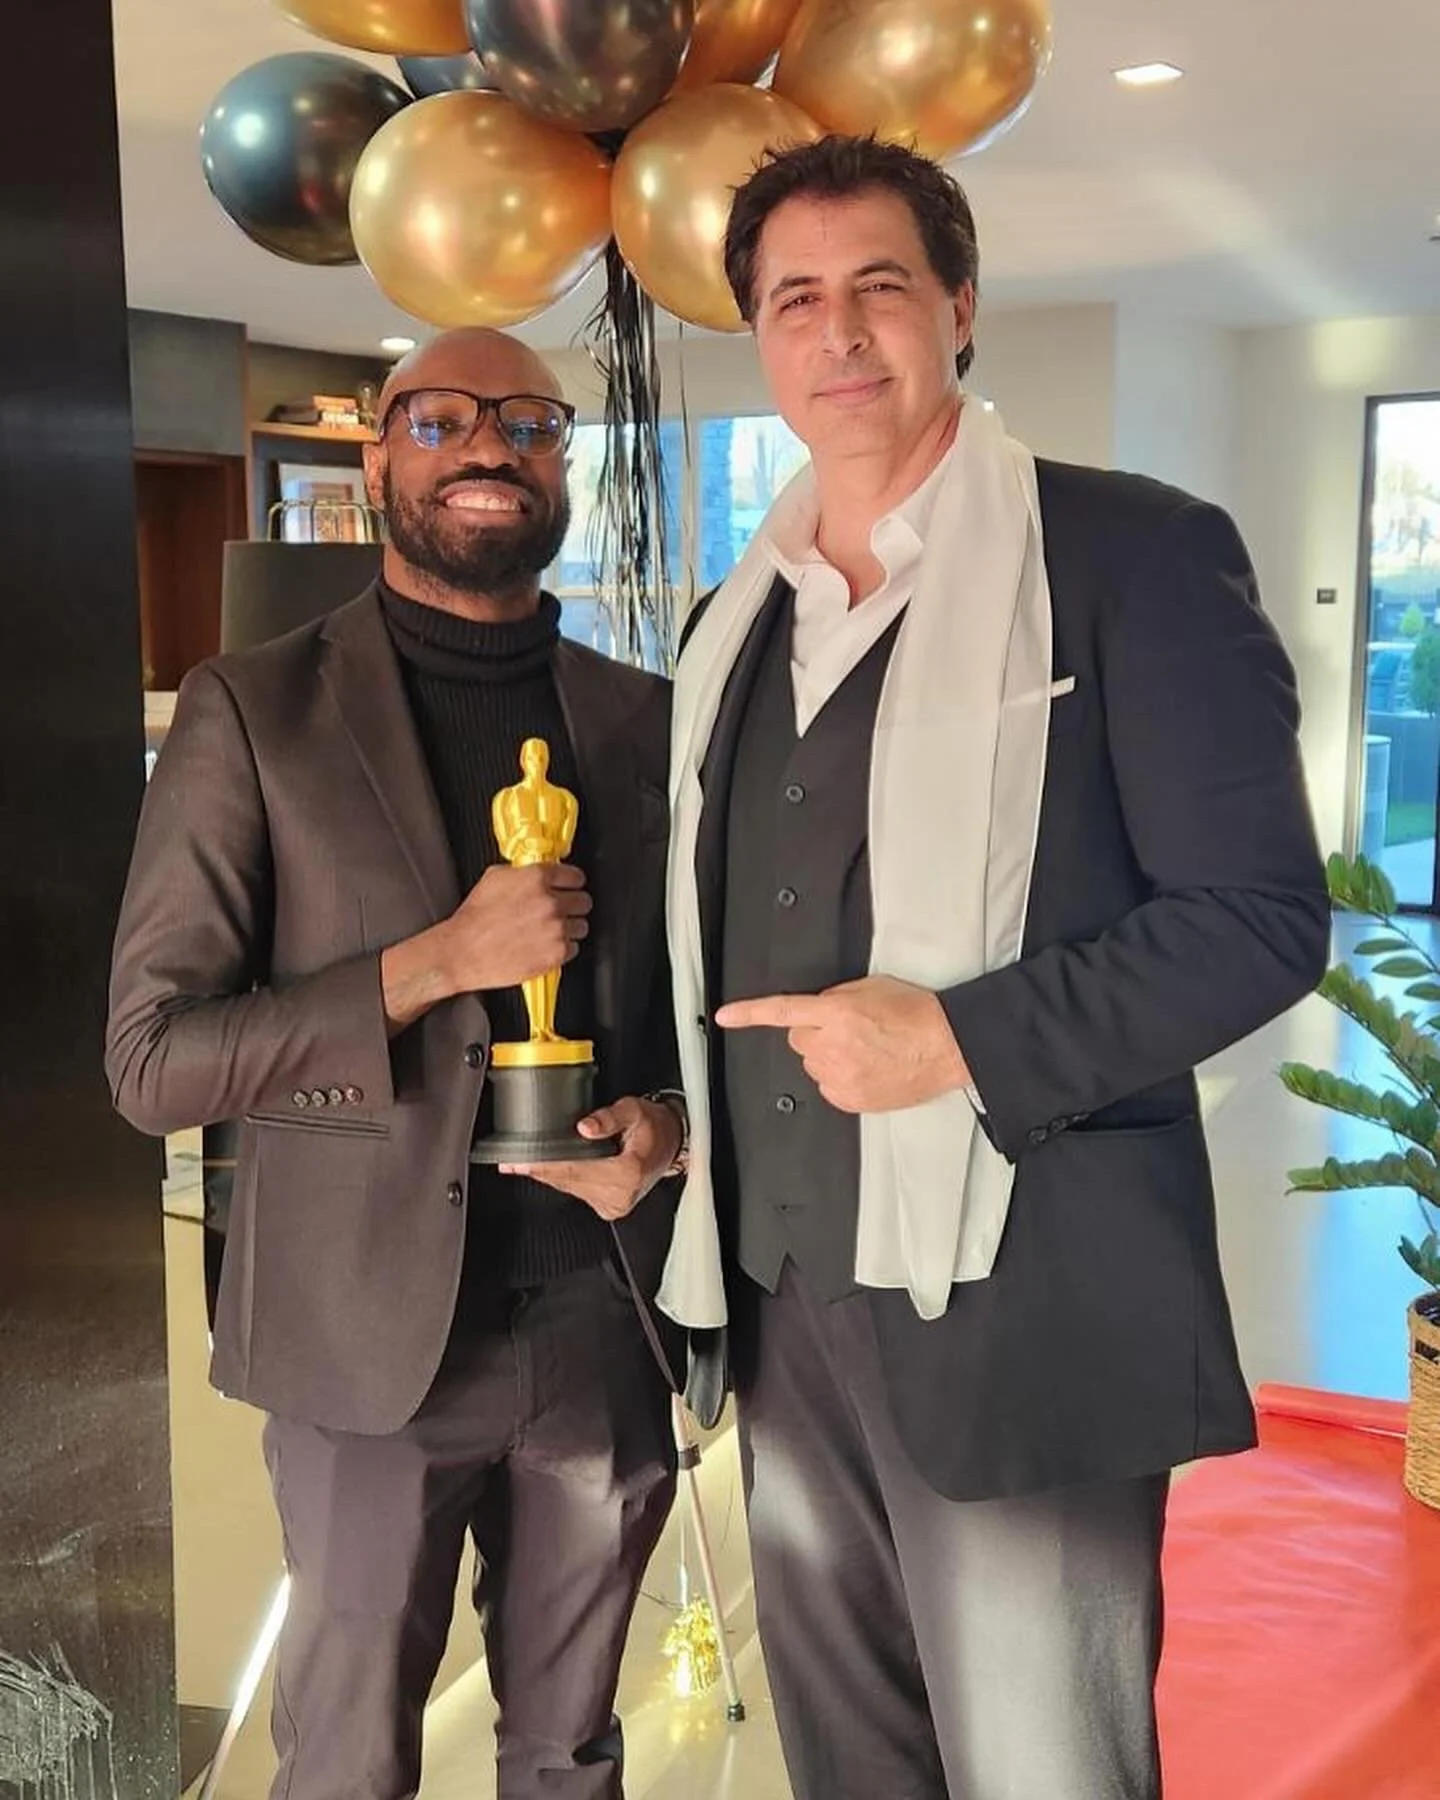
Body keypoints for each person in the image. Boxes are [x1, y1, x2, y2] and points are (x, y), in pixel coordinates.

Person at [648, 136, 1331, 1799]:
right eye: (794, 299)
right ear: (761, 340)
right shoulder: (729, 620)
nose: (841, 331)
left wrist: (960, 1038)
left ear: (959, 306)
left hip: (1028, 1302)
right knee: (852, 1767)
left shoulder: (1132, 558)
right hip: (785, 1296)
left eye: (880, 284)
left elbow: (1259, 918)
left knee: (1045, 1771)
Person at [105, 328, 687, 1800]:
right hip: (364, 1346)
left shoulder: (644, 721)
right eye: (439, 420)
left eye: (529, 423)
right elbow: (153, 1059)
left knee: (572, 1751)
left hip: (600, 1327)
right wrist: (431, 963)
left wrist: (664, 1127)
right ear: (378, 461)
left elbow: (697, 1019)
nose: (487, 446)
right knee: (349, 1758)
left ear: (566, 464)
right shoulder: (254, 710)